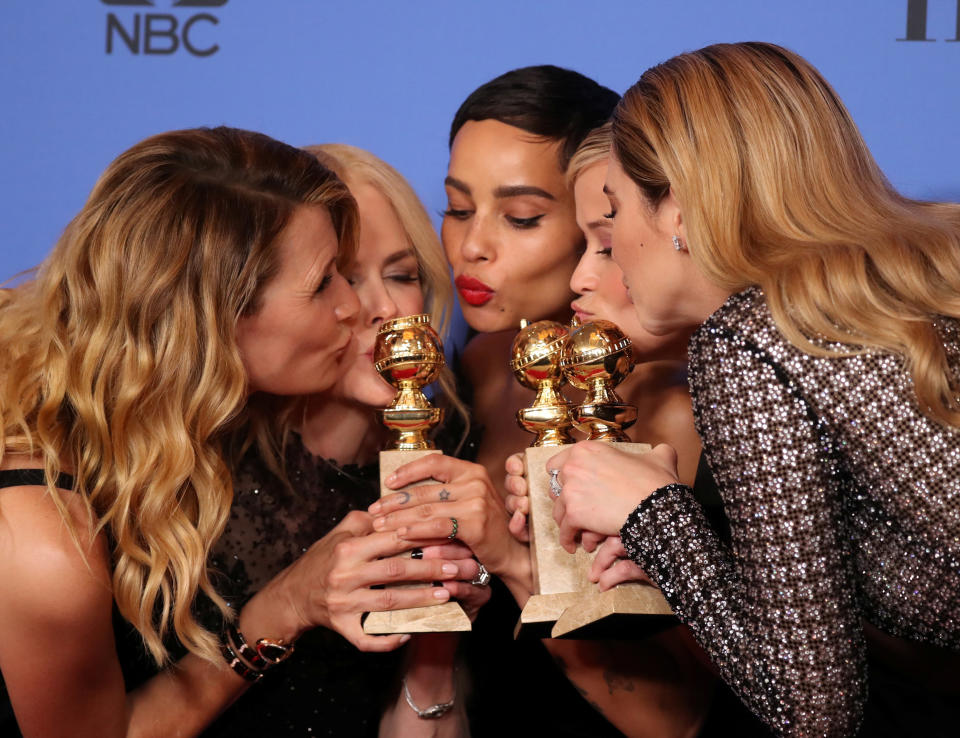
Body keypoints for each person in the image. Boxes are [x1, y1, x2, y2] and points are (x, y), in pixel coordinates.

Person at [0, 127, 479, 737]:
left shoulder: (195, 427)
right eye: (327, 281)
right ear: (217, 320)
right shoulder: (44, 536)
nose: (355, 309)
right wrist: (283, 607)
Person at [548, 42, 960, 737]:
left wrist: (653, 513)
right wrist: (686, 533)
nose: (609, 248)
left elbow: (814, 713)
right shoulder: (888, 287)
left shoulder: (747, 341)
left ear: (676, 207)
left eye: (613, 212)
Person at [202, 143, 487, 737]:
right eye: (341, 277)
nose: (381, 308)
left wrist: (434, 647)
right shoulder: (203, 465)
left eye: (403, 275)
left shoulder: (457, 454)